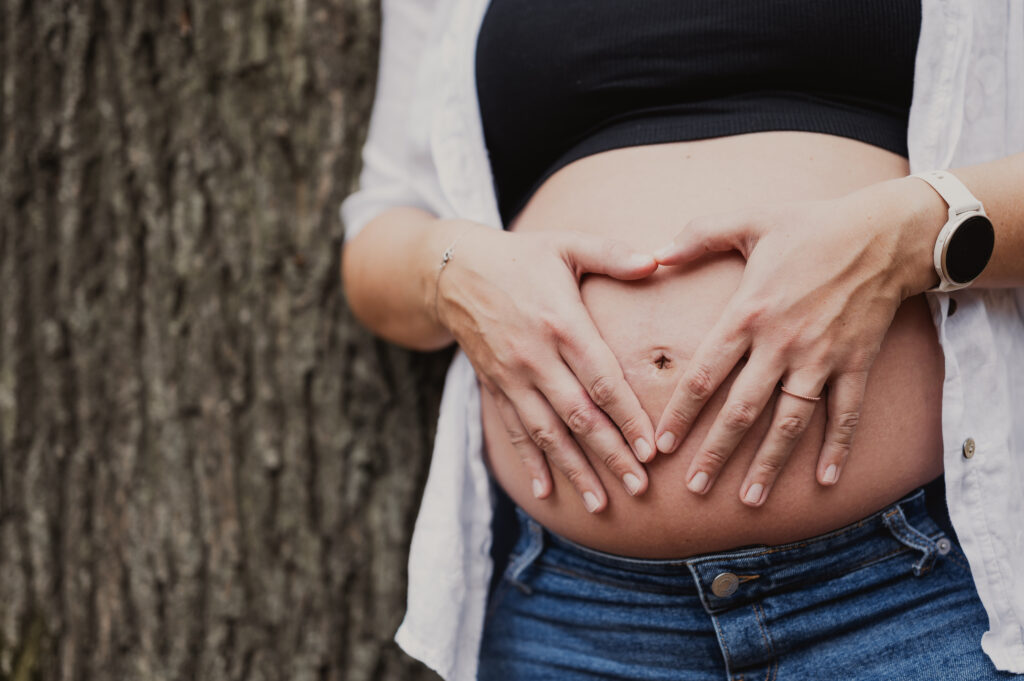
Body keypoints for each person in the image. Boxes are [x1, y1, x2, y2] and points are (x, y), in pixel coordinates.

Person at [341, 1, 1024, 679]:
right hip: (576, 617)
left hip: (916, 593)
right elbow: (380, 233)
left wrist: (906, 236)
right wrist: (451, 273)